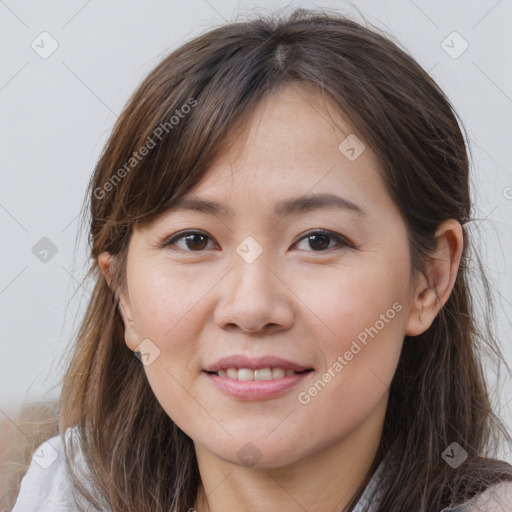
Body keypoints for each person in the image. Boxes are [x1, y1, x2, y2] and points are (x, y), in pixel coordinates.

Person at [11, 7, 512, 512]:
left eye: (319, 240)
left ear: (430, 278)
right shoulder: (60, 493)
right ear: (123, 295)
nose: (251, 308)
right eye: (193, 240)